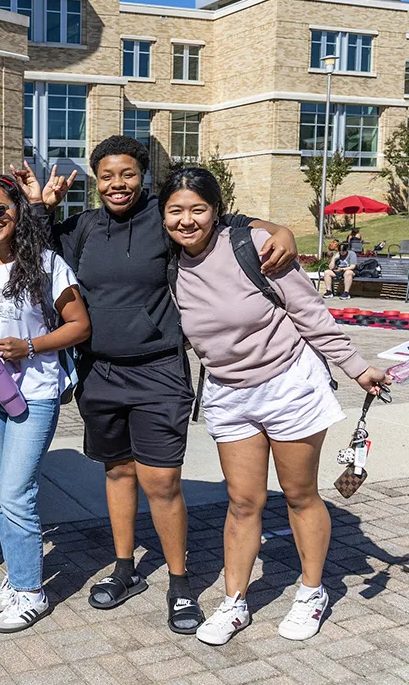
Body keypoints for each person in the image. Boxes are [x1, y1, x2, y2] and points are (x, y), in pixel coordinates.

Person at [13, 135, 298, 634]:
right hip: (100, 371)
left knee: (162, 481)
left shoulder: (163, 219)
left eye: (127, 174)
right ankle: (125, 568)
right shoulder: (83, 227)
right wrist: (40, 207)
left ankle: (179, 582)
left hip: (159, 370)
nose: (117, 184)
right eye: (107, 176)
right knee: (118, 472)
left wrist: (281, 229)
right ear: (96, 179)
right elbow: (39, 257)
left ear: (142, 175)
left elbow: (227, 224)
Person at [159, 167, 389, 645]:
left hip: (289, 385)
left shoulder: (254, 246)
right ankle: (235, 602)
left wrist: (356, 367)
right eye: (175, 210)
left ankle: (311, 591)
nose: (186, 220)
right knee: (243, 502)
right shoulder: (168, 262)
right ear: (163, 216)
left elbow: (309, 311)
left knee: (299, 494)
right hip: (228, 393)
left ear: (217, 211)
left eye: (198, 209)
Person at [0, 175, 90, 630]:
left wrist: (30, 346)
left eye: (0, 210)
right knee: (1, 490)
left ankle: (31, 591)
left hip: (34, 393)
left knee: (15, 493)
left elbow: (79, 326)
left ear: (18, 211)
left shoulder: (47, 264)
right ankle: (19, 571)